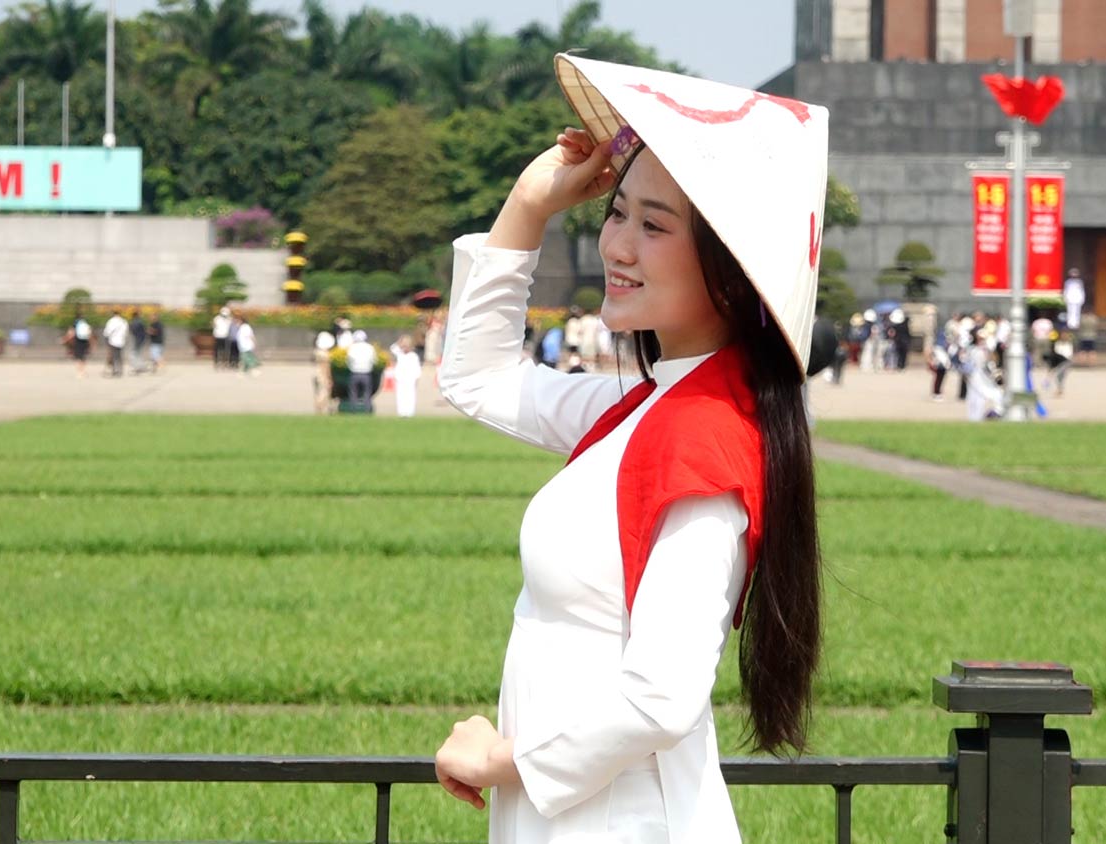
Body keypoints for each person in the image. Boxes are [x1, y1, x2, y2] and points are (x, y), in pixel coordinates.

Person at [433, 54, 824, 844]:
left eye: (654, 226)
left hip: (622, 822)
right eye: (618, 213)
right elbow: (478, 377)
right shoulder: (650, 405)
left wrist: (503, 760)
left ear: (729, 271)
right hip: (579, 813)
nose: (618, 244)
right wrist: (528, 206)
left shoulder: (704, 434)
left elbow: (662, 696)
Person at [390, 334, 423, 417]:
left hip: (410, 379)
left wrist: (417, 378)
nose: (405, 348)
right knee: (400, 395)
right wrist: (400, 341)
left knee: (410, 395)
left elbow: (417, 368)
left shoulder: (413, 356)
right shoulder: (400, 354)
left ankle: (409, 412)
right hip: (400, 378)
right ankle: (401, 412)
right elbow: (393, 348)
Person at [345, 329, 376, 411]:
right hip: (366, 373)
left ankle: (353, 409)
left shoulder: (352, 348)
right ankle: (367, 409)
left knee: (353, 392)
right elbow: (374, 360)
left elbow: (348, 360)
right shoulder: (370, 348)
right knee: (367, 393)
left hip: (354, 373)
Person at [65, 306, 93, 378]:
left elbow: (71, 332)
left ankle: (79, 372)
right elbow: (90, 332)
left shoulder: (76, 323)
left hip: (78, 341)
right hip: (85, 341)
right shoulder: (85, 323)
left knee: (78, 357)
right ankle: (83, 371)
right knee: (83, 357)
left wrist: (66, 339)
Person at [313, 330, 336, 414]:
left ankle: (319, 409)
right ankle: (320, 408)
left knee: (318, 393)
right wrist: (329, 377)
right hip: (322, 376)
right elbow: (326, 367)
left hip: (316, 375)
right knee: (325, 393)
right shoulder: (325, 355)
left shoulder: (317, 352)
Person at [102, 310, 129, 377]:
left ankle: (114, 370)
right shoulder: (123, 321)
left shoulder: (111, 321)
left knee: (113, 356)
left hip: (113, 341)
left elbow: (106, 332)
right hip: (121, 341)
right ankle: (120, 370)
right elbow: (126, 332)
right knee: (119, 356)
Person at [211, 306, 232, 370]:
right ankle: (217, 362)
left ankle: (225, 363)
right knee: (217, 350)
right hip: (218, 336)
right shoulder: (217, 318)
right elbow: (213, 325)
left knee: (226, 351)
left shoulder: (229, 319)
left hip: (226, 336)